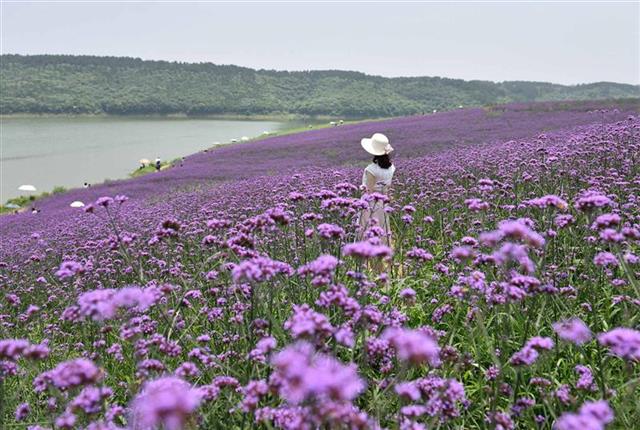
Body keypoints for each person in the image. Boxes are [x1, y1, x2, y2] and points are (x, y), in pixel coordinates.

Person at [358, 133, 395, 246]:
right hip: (384, 204)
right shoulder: (392, 168)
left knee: (367, 232)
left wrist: (361, 188)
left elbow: (369, 191)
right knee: (381, 231)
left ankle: (367, 261)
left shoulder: (371, 169)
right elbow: (388, 187)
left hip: (370, 206)